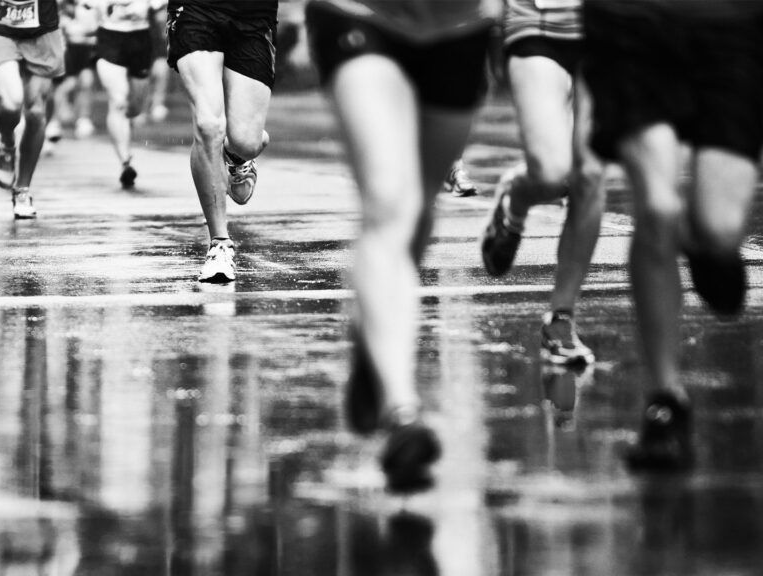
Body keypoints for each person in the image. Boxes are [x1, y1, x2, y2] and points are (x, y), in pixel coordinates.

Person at [305, 0, 498, 491]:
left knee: (419, 207)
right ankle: (401, 410)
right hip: (360, 13)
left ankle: (372, 339)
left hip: (460, 23)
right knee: (389, 201)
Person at [583, 0, 763, 470]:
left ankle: (704, 240)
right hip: (630, 20)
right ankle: (665, 399)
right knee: (657, 207)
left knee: (721, 230)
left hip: (731, 23)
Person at [480, 0, 604, 366]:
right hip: (537, 21)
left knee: (589, 175)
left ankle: (561, 319)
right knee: (552, 172)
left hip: (607, 28)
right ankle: (515, 200)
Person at [167, 0, 277, 283]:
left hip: (253, 14)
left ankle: (237, 155)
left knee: (247, 141)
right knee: (208, 124)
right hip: (196, 9)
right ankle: (219, 244)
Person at [0, 0, 65, 220]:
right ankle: (6, 142)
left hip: (42, 28)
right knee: (11, 102)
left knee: (36, 112)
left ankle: (23, 190)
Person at [92, 0, 159, 189]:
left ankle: (125, 130)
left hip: (140, 39)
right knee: (118, 101)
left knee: (135, 107)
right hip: (109, 38)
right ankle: (125, 161)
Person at [53, 0, 98, 139]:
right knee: (69, 84)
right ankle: (53, 121)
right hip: (69, 47)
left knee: (87, 81)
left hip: (89, 46)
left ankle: (83, 119)